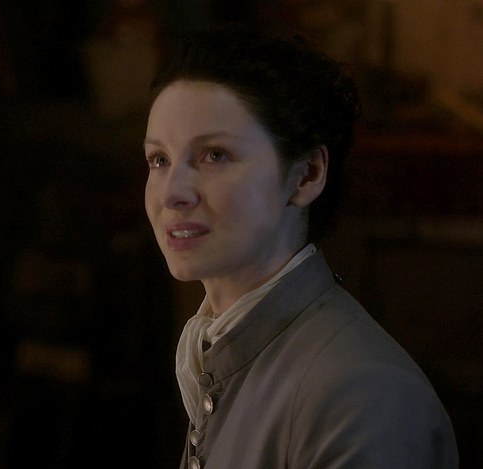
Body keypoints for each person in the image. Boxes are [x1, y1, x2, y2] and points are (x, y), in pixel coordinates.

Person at [142, 25, 459, 468]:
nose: (172, 192)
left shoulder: (362, 395)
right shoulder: (220, 353)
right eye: (159, 159)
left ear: (307, 174)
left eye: (215, 155)